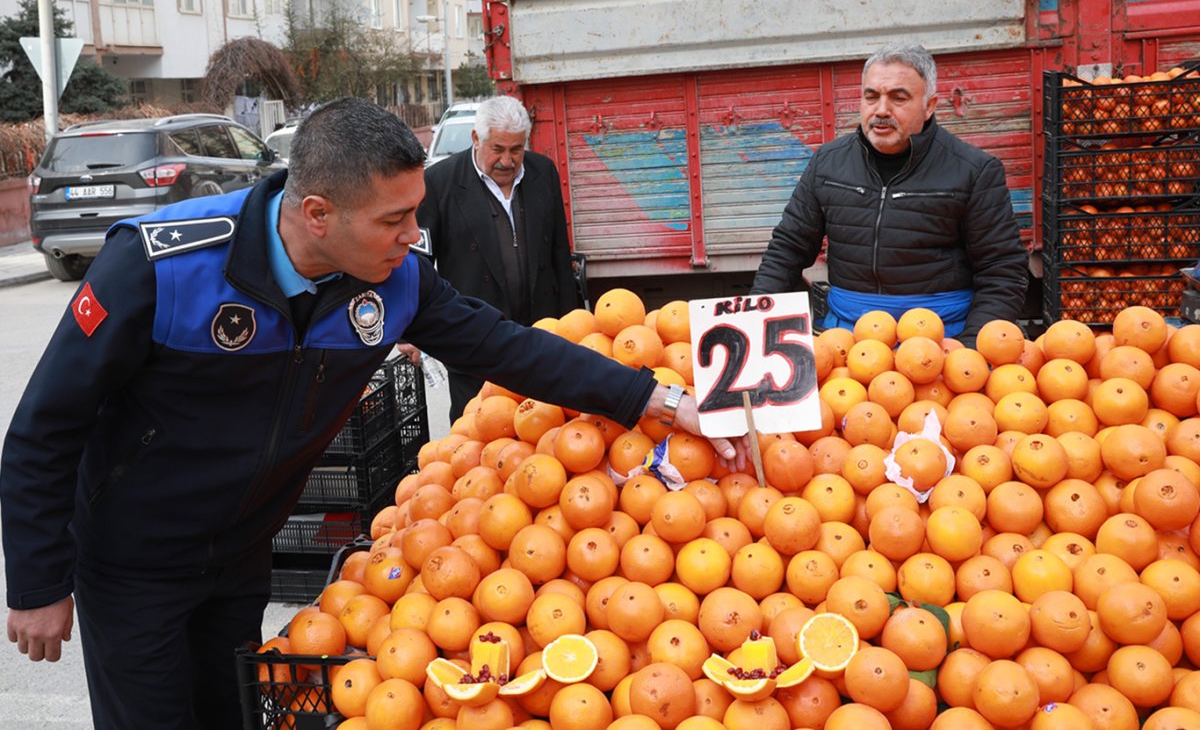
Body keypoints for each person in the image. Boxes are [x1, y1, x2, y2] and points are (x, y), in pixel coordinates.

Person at [1, 98, 739, 730]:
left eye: (414, 211)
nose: (414, 234)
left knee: (229, 714)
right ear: (318, 214)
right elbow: (45, 426)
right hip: (134, 560)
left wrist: (654, 398)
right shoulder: (161, 267)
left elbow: (510, 348)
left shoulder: (393, 280)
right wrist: (38, 581)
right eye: (395, 219)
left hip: (242, 556)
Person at [751, 42, 1028, 346]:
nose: (881, 110)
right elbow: (787, 250)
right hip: (848, 340)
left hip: (942, 340)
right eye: (871, 96)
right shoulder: (828, 164)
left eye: (898, 98)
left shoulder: (974, 170)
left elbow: (1002, 271)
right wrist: (752, 323)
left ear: (929, 105)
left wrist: (972, 347)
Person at [418, 95, 579, 421]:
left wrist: (573, 325)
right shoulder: (439, 182)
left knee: (545, 427)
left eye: (516, 150)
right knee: (480, 431)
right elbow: (418, 265)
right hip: (474, 342)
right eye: (498, 149)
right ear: (476, 139)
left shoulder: (543, 172)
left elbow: (559, 256)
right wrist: (413, 330)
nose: (507, 161)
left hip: (541, 335)